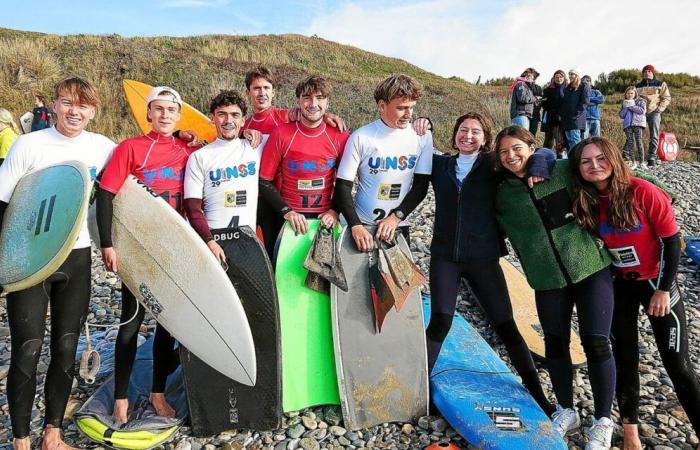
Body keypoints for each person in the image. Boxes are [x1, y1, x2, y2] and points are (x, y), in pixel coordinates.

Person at [0, 77, 115, 450]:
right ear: (53, 104)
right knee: (27, 350)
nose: (74, 111)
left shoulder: (101, 147)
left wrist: (187, 139)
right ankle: (20, 440)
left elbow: (138, 164)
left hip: (77, 257)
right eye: (67, 102)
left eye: (83, 105)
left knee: (66, 348)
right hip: (30, 260)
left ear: (93, 111)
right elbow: (1, 205)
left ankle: (52, 433)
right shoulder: (28, 144)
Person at [570, 136, 700, 450]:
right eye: (586, 161)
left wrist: (664, 290)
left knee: (677, 363)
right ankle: (631, 432)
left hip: (656, 283)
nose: (594, 166)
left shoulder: (643, 191)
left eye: (601, 158)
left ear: (614, 159)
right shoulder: (585, 199)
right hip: (619, 285)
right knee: (625, 357)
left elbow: (672, 242)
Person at [422, 112, 555, 416]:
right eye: (463, 129)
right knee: (440, 321)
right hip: (445, 257)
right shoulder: (440, 165)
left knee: (506, 326)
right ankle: (422, 389)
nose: (468, 136)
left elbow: (542, 151)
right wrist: (424, 124)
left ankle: (538, 394)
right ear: (454, 133)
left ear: (485, 140)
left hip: (483, 258)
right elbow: (408, 150)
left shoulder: (494, 165)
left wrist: (539, 163)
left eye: (476, 132)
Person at [494, 126, 616, 450]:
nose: (511, 156)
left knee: (597, 343)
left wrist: (545, 157)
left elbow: (609, 181)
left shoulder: (560, 169)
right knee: (556, 344)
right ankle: (566, 409)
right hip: (546, 278)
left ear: (532, 146)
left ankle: (603, 420)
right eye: (504, 152)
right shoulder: (503, 194)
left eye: (517, 148)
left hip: (591, 269)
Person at [96, 86, 204, 423]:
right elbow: (106, 195)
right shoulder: (130, 148)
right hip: (138, 249)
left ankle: (158, 393)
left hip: (173, 249)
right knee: (130, 323)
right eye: (159, 109)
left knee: (167, 324)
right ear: (148, 113)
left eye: (171, 110)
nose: (165, 115)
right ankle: (121, 399)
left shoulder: (189, 150)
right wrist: (107, 243)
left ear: (178, 114)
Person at [241, 66, 346, 255]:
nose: (262, 93)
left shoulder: (285, 116)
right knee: (261, 257)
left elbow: (345, 181)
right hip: (257, 200)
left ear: (274, 92)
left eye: (266, 88)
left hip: (282, 202)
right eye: (256, 88)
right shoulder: (243, 123)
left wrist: (335, 210)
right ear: (248, 92)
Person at [334, 73, 432, 250]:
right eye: (401, 108)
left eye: (411, 107)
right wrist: (355, 225)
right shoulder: (361, 137)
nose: (408, 114)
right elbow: (342, 186)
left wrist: (395, 217)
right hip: (361, 226)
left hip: (397, 226)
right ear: (382, 105)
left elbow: (421, 187)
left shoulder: (422, 136)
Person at [184, 90, 266, 257]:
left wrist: (328, 119)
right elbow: (192, 208)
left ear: (243, 120)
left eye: (235, 115)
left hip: (247, 242)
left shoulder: (257, 145)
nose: (229, 120)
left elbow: (293, 133)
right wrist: (209, 242)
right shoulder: (199, 157)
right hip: (213, 242)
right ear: (212, 118)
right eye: (222, 114)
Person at [636, 65, 671, 166]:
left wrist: (659, 109)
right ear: (642, 74)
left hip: (654, 112)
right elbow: (632, 98)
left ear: (653, 73)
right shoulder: (637, 86)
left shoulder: (660, 84)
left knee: (654, 135)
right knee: (637, 134)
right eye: (645, 71)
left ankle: (651, 156)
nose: (647, 73)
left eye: (649, 71)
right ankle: (639, 156)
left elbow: (666, 97)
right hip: (640, 113)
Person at [561, 69, 590, 151]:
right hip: (567, 119)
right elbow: (565, 103)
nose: (570, 76)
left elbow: (585, 102)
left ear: (577, 75)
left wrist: (576, 114)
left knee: (575, 141)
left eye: (572, 74)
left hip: (576, 119)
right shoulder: (567, 88)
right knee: (569, 141)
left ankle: (578, 160)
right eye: (569, 74)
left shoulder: (583, 86)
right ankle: (572, 160)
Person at [619, 86, 647, 168]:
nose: (630, 95)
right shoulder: (624, 102)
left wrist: (631, 106)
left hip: (638, 124)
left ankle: (642, 162)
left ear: (635, 93)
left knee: (639, 141)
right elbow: (621, 115)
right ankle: (633, 162)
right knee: (630, 143)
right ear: (625, 94)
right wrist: (626, 107)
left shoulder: (641, 101)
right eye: (628, 93)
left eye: (631, 93)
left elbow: (642, 111)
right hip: (628, 125)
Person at [542, 70, 568, 156]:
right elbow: (544, 104)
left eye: (561, 77)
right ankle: (546, 157)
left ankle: (561, 158)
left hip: (564, 119)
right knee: (549, 140)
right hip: (551, 118)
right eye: (557, 77)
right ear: (554, 78)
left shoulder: (568, 89)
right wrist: (553, 111)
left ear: (564, 78)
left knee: (562, 140)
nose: (559, 79)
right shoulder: (548, 89)